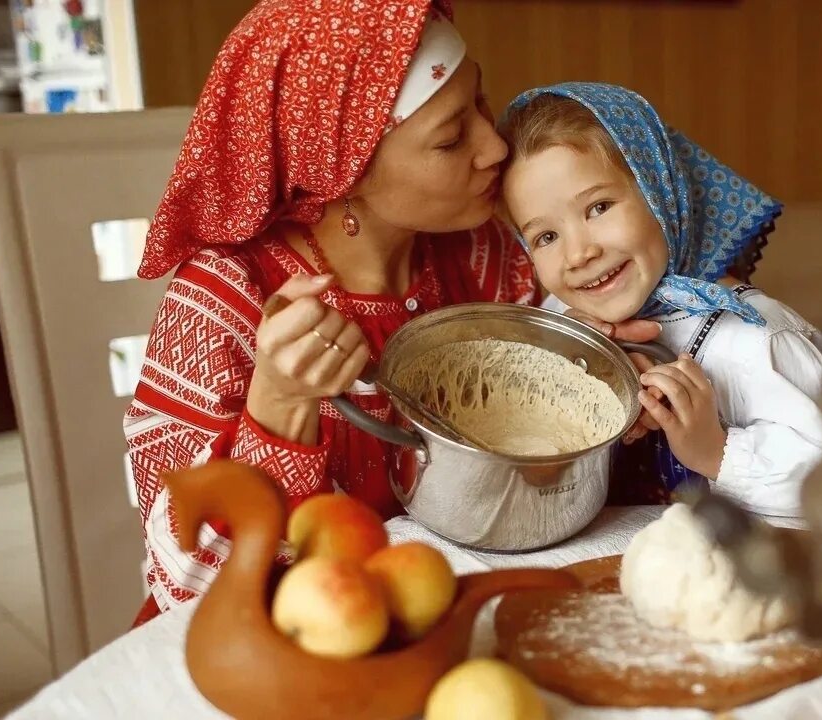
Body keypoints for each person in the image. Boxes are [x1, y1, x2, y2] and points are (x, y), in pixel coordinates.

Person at [124, 2, 656, 623]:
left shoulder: (486, 253)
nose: (494, 146)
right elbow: (185, 583)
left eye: (481, 104)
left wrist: (601, 360)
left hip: (443, 612)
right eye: (452, 138)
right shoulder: (225, 301)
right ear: (342, 171)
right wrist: (279, 403)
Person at [500, 82, 822, 518]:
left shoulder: (756, 340)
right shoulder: (561, 325)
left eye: (598, 208)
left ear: (661, 192)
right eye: (546, 236)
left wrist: (717, 452)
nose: (579, 253)